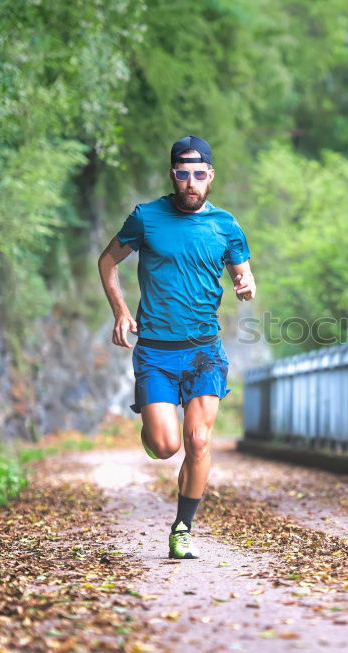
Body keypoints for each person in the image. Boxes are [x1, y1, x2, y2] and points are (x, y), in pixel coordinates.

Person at [97, 135, 256, 559]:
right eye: (183, 174)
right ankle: (152, 428)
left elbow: (244, 272)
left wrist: (246, 282)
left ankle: (182, 527)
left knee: (199, 442)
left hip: (204, 350)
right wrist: (120, 310)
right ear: (172, 174)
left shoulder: (226, 225)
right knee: (167, 446)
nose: (191, 183)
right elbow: (107, 261)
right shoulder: (146, 218)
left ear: (210, 177)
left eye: (199, 175)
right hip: (155, 351)